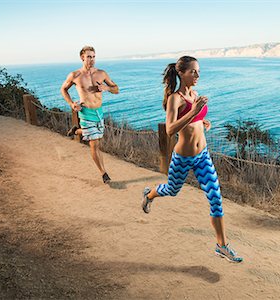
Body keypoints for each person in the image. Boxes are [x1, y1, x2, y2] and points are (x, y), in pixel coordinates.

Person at [141, 56, 243, 263]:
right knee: (172, 190)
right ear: (181, 73)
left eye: (198, 71)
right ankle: (149, 194)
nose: (197, 75)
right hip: (183, 157)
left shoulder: (194, 94)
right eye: (193, 72)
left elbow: (191, 120)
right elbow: (170, 129)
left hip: (202, 156)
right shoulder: (175, 99)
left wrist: (202, 120)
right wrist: (194, 111)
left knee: (215, 197)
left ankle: (221, 246)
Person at [61, 46, 119, 184]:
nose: (91, 59)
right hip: (85, 112)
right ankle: (103, 173)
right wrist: (71, 104)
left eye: (93, 56)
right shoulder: (75, 75)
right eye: (88, 57)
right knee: (95, 144)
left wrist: (107, 88)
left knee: (96, 136)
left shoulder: (101, 73)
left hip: (99, 112)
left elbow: (116, 89)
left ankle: (77, 130)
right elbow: (63, 89)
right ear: (82, 57)